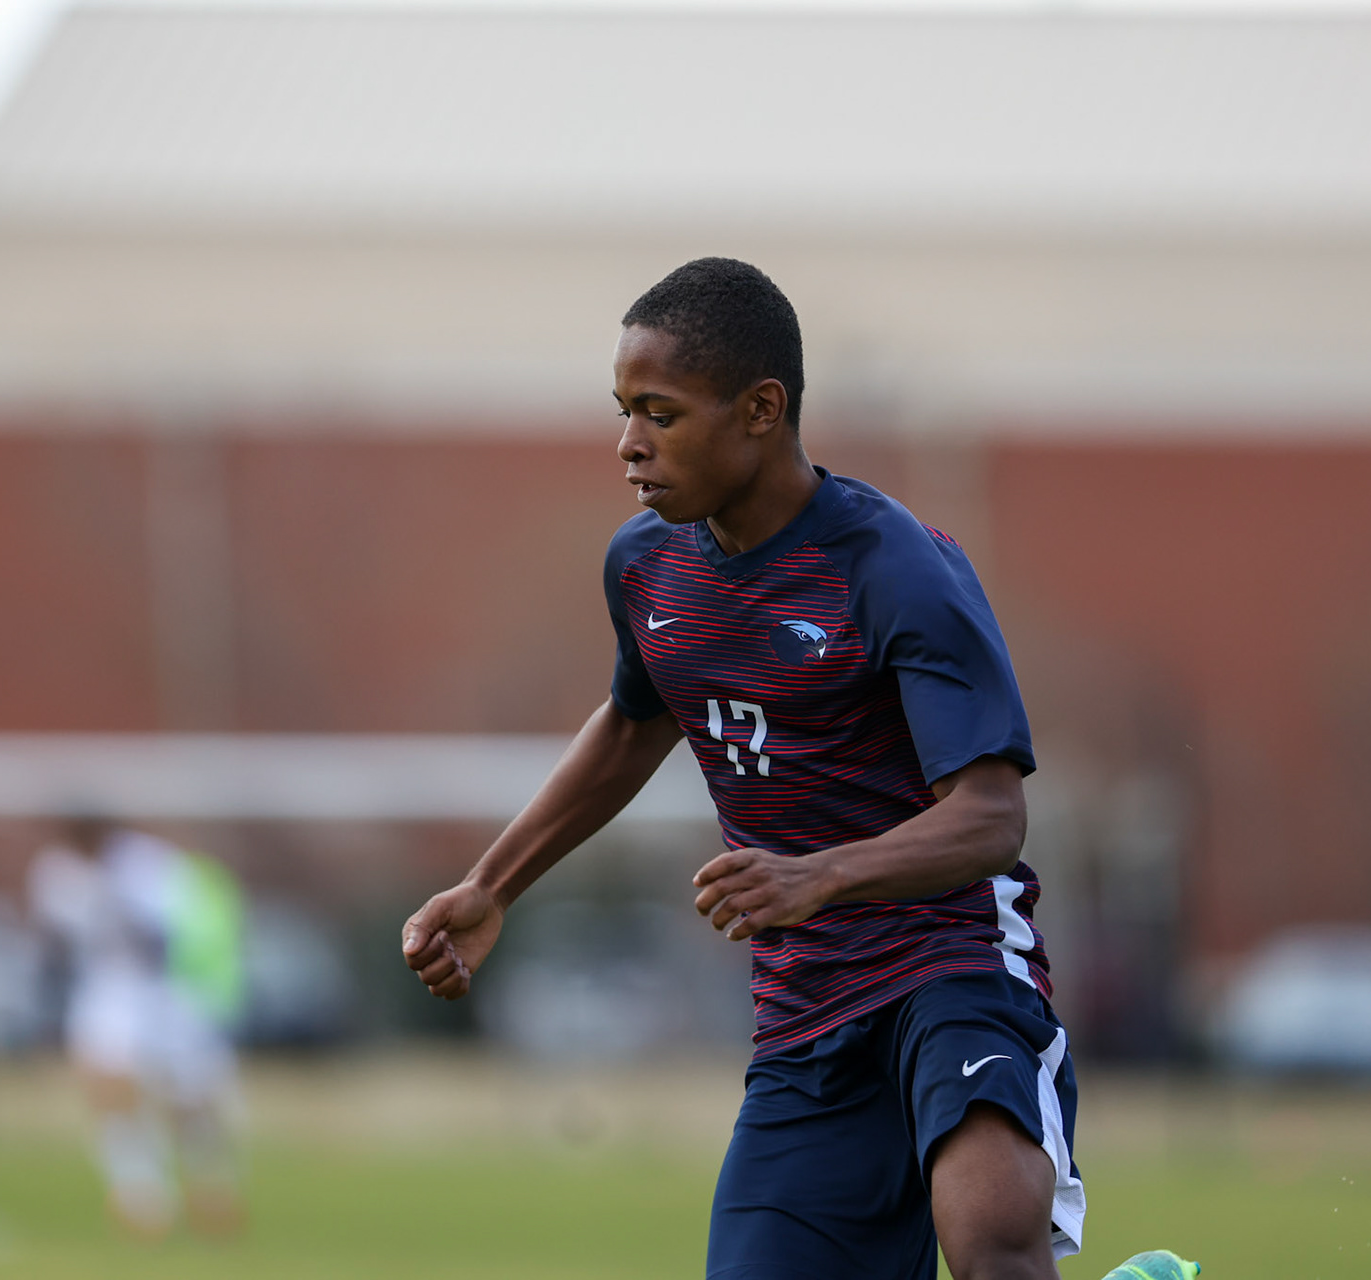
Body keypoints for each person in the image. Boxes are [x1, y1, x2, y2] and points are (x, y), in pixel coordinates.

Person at [402, 258, 1199, 1280]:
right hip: (807, 1007)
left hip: (952, 962)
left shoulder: (894, 565)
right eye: (622, 410)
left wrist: (817, 871)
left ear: (761, 410)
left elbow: (994, 817)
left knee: (990, 1235)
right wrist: (490, 882)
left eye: (660, 412)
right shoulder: (646, 568)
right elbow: (634, 721)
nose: (628, 443)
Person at [29, 815, 245, 1237]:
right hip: (107, 986)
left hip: (168, 987)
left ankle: (212, 1183)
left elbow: (176, 933)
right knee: (107, 1082)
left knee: (188, 1097)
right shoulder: (55, 871)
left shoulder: (147, 864)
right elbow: (55, 943)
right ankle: (140, 1192)